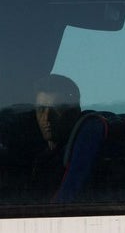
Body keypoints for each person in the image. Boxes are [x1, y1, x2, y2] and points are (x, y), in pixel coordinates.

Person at [25, 74, 83, 202]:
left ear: (75, 112)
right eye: (40, 109)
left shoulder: (76, 159)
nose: (46, 118)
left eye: (56, 109)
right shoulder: (31, 157)